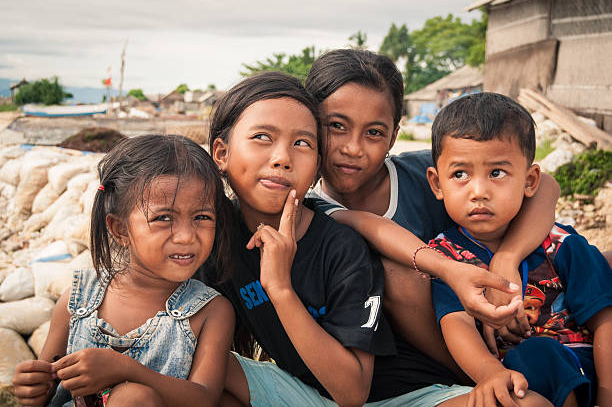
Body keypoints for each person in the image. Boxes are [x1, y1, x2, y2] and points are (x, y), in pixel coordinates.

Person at [304, 48, 561, 398]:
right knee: (399, 275)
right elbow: (376, 229)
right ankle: (482, 376)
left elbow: (546, 186)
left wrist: (506, 262)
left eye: (374, 132)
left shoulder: (430, 172)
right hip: (440, 345)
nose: (353, 148)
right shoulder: (313, 210)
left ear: (393, 137)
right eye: (336, 127)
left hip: (510, 309)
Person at [198, 71, 418, 407]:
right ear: (221, 153)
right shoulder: (212, 234)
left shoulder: (341, 247)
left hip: (397, 396)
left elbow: (353, 392)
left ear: (316, 167)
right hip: (296, 392)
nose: (282, 158)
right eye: (262, 137)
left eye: (302, 143)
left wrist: (281, 289)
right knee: (201, 363)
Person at [12, 135, 235, 407]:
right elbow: (49, 390)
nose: (187, 237)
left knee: (134, 397)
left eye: (202, 217)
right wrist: (33, 388)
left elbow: (205, 398)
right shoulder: (78, 303)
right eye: (164, 218)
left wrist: (128, 370)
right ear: (120, 229)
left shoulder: (210, 311)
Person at [427, 92, 612, 407]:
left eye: (497, 173)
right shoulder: (446, 256)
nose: (479, 192)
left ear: (530, 180)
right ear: (437, 184)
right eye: (460, 174)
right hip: (508, 376)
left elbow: (605, 320)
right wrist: (489, 374)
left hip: (579, 364)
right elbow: (456, 323)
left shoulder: (561, 244)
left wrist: (607, 396)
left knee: (538, 353)